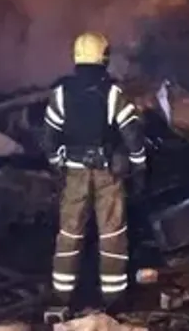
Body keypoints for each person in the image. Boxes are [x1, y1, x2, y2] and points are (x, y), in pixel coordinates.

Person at [40, 32, 148, 315]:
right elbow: (132, 134)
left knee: (69, 233)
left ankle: (62, 296)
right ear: (104, 57)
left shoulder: (61, 93)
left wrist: (58, 163)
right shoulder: (112, 93)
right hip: (107, 174)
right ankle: (113, 299)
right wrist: (139, 166)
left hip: (74, 173)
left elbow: (49, 137)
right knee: (112, 233)